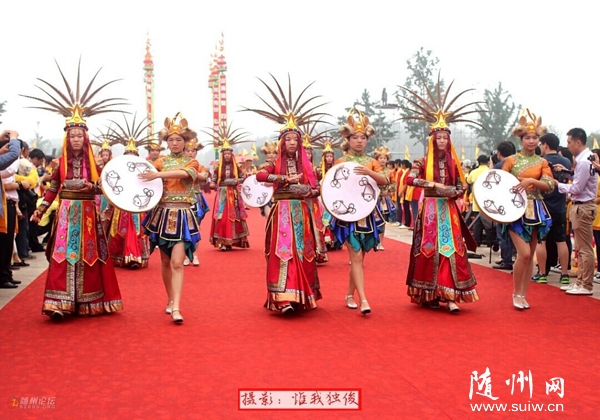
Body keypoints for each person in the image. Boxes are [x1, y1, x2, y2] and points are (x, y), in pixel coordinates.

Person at [25, 59, 125, 320]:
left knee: (89, 256)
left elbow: (105, 189)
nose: (76, 139)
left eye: (80, 135)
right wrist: (41, 209)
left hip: (89, 216)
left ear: (86, 138)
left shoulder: (96, 166)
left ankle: (89, 302)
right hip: (67, 216)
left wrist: (95, 187)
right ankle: (59, 304)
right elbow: (52, 189)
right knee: (63, 255)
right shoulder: (59, 163)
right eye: (72, 136)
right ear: (67, 139)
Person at [399, 79, 480, 313]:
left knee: (452, 248)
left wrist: (457, 191)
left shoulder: (455, 163)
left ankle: (450, 294)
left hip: (449, 210)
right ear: (432, 140)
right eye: (439, 137)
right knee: (429, 248)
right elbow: (409, 179)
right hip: (430, 211)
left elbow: (462, 185)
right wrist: (432, 184)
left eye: (445, 137)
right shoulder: (421, 161)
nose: (442, 140)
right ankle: (430, 293)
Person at [247, 75, 324, 314]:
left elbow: (315, 189)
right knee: (283, 252)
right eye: (288, 139)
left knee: (302, 251)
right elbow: (260, 176)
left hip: (301, 212)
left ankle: (302, 295)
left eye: (295, 139)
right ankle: (283, 298)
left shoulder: (306, 167)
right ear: (281, 143)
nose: (291, 142)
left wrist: (311, 190)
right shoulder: (273, 163)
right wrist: (283, 179)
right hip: (281, 212)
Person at [141, 114, 201, 323]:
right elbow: (145, 179)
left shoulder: (192, 161)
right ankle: (170, 298)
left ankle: (176, 307)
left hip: (183, 215)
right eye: (171, 140)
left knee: (177, 262)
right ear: (166, 142)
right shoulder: (159, 162)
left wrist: (158, 175)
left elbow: (185, 174)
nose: (175, 143)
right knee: (165, 262)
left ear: (186, 141)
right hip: (162, 214)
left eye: (179, 139)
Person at [330, 108, 390, 315]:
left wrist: (368, 172)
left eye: (363, 138)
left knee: (359, 258)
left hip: (367, 214)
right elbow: (332, 187)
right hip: (347, 215)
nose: (359, 141)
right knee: (355, 256)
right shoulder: (340, 162)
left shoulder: (372, 162)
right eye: (355, 137)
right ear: (348, 140)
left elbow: (385, 181)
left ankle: (349, 294)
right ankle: (364, 299)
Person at [501, 110, 554, 309]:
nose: (531, 141)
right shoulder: (511, 160)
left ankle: (523, 294)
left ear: (539, 140)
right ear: (521, 139)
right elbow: (500, 183)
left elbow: (549, 185)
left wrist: (530, 181)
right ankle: (516, 292)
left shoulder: (542, 162)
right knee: (523, 253)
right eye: (527, 138)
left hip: (536, 208)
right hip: (515, 208)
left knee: (530, 254)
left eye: (534, 138)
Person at [553, 128, 598, 295]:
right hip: (581, 205)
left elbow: (577, 188)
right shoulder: (586, 159)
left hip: (583, 205)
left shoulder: (584, 161)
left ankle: (586, 284)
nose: (568, 146)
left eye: (569, 142)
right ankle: (580, 281)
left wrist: (559, 185)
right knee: (580, 247)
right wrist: (567, 173)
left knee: (585, 249)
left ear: (578, 142)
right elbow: (580, 180)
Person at [533, 133, 572, 285]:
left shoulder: (540, 162)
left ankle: (542, 273)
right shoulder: (566, 161)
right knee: (561, 240)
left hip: (543, 206)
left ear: (545, 145)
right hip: (560, 206)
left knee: (541, 240)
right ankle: (564, 274)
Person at [209, 128, 250, 251]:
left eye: (228, 154)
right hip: (222, 195)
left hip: (234, 194)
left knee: (235, 216)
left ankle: (234, 240)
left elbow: (242, 178)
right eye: (225, 154)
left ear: (231, 155)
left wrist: (237, 181)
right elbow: (214, 179)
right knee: (222, 217)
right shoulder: (218, 168)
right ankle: (222, 241)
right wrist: (212, 183)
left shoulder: (236, 167)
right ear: (222, 155)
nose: (227, 155)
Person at [183, 137, 209, 267]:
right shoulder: (180, 166)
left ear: (196, 152)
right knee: (183, 228)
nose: (190, 153)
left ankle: (195, 255)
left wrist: (191, 172)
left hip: (196, 199)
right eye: (187, 151)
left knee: (196, 227)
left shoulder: (201, 167)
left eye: (192, 151)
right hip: (182, 199)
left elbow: (204, 177)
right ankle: (185, 255)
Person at [0, 131, 22, 289]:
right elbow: (13, 156)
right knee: (4, 243)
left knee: (7, 243)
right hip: (5, 203)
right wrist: (14, 138)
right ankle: (3, 275)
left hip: (9, 203)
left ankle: (5, 273)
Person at [492, 141, 517, 270]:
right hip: (516, 202)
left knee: (503, 232)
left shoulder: (499, 166)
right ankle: (514, 258)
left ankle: (507, 260)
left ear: (499, 153)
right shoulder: (518, 163)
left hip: (502, 202)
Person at [467, 154, 493, 247]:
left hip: (477, 201)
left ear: (478, 162)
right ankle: (490, 241)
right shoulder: (490, 171)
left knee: (477, 223)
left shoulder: (474, 172)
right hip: (488, 202)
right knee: (489, 223)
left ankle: (477, 241)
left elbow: (468, 181)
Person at [373, 146, 396, 250]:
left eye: (384, 158)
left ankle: (381, 243)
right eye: (380, 158)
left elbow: (394, 184)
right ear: (376, 159)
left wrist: (389, 190)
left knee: (382, 221)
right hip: (373, 199)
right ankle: (373, 241)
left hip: (383, 200)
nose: (382, 160)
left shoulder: (390, 172)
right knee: (373, 220)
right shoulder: (372, 170)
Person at [258, 140, 278, 218]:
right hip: (266, 195)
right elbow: (262, 182)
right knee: (270, 218)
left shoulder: (279, 165)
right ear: (266, 154)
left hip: (278, 194)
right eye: (269, 153)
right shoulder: (262, 166)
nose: (271, 155)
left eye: (273, 153)